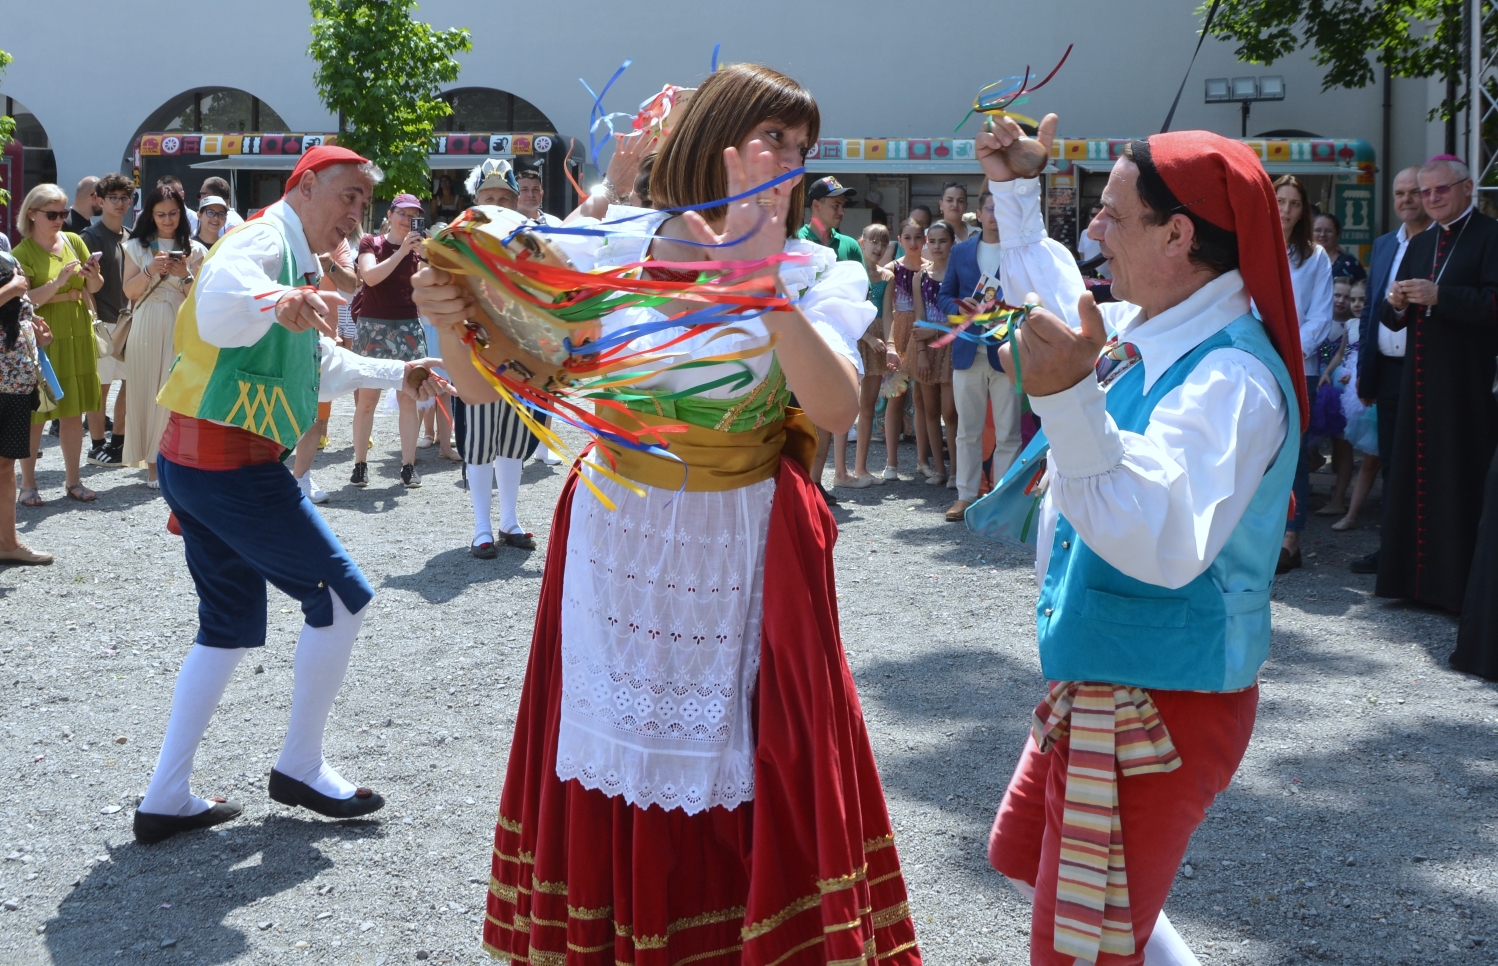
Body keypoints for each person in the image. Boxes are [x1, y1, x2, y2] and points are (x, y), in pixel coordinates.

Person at [413, 62, 920, 966]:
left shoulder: (811, 270)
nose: (789, 162)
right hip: (620, 537)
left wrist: (761, 292)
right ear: (712, 143)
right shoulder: (613, 246)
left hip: (746, 540)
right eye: (772, 140)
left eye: (801, 148)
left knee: (752, 771)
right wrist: (449, 317)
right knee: (620, 763)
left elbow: (839, 409)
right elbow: (488, 379)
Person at [979, 114, 1304, 966]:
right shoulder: (1160, 326)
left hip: (1159, 701)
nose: (1091, 228)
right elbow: (1054, 310)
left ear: (1180, 235)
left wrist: (1068, 399)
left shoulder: (1231, 376)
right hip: (1112, 679)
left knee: (1081, 946)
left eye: (1111, 215)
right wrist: (1016, 192)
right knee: (1027, 866)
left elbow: (1160, 541)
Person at [133, 145, 446, 845]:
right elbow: (218, 306)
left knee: (225, 628)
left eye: (366, 200)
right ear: (302, 187)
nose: (356, 212)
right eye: (347, 194)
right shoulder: (262, 241)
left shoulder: (295, 255)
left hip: (202, 464)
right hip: (230, 468)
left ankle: (165, 797)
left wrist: (402, 372)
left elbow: (317, 365)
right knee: (339, 599)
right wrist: (281, 300)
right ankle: (300, 767)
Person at [1375, 154, 1498, 613]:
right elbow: (1394, 316)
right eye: (1425, 192)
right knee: (1412, 477)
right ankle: (1415, 582)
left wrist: (1442, 296)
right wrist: (1398, 302)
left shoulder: (1490, 237)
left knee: (1457, 480)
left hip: (1466, 388)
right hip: (1419, 388)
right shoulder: (1423, 242)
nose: (1431, 199)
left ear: (1467, 188)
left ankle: (1456, 587)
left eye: (1440, 190)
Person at [454, 158, 540, 556]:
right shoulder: (458, 239)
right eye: (489, 196)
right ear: (476, 199)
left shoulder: (533, 238)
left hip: (523, 354)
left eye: (504, 197)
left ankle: (509, 520)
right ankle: (480, 527)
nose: (497, 203)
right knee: (480, 440)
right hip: (480, 353)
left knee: (514, 438)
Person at [1349, 167, 1432, 572]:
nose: (1406, 200)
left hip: (1428, 373)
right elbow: (1367, 314)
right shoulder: (1384, 245)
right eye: (1399, 193)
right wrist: (1366, 373)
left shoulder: (1439, 245)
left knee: (1426, 465)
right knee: (1392, 464)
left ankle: (1424, 555)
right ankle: (1392, 552)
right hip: (1389, 373)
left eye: (1413, 192)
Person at [15, 184, 104, 506]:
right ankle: (27, 483)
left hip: (77, 330)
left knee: (72, 411)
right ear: (32, 214)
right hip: (44, 336)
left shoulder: (74, 240)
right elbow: (23, 300)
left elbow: (95, 285)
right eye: (52, 214)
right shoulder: (22, 253)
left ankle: (73, 480)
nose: (59, 219)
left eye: (63, 213)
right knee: (38, 412)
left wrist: (91, 274)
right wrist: (59, 282)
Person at [940, 189, 1022, 522]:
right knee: (967, 431)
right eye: (990, 208)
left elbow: (1033, 299)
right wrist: (959, 308)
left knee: (1008, 432)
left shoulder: (1020, 253)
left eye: (1001, 209)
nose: (995, 215)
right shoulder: (960, 252)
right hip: (967, 350)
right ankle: (966, 496)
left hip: (1005, 350)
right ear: (979, 212)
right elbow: (945, 295)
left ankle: (1002, 498)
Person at [120, 185, 206, 488]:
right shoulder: (136, 246)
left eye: (172, 213)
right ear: (150, 215)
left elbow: (199, 297)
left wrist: (184, 273)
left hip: (179, 321)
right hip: (146, 320)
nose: (167, 220)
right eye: (160, 214)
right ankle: (152, 466)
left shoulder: (195, 249)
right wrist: (150, 270)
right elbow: (129, 292)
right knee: (145, 391)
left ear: (181, 213)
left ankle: (175, 461)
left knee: (174, 392)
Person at [1274, 174, 1334, 573]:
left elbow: (1320, 317)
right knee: (1259, 449)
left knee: (1294, 453)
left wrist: (1291, 351)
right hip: (1256, 360)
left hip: (1300, 365)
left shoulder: (1315, 257)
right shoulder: (1252, 244)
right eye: (1281, 201)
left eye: (1295, 203)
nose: (1287, 211)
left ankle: (1291, 538)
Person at [350, 192, 427, 489]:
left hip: (408, 326)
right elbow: (369, 277)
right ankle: (360, 464)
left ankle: (408, 466)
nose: (407, 220)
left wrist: (426, 256)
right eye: (403, 214)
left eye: (413, 215)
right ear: (391, 214)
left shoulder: (420, 249)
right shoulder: (372, 243)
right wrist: (401, 253)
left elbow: (423, 286)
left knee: (408, 399)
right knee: (367, 400)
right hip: (374, 327)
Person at [799, 175, 866, 500]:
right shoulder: (796, 241)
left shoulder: (849, 246)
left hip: (836, 343)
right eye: (834, 203)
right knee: (795, 414)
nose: (841, 209)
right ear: (815, 205)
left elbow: (861, 296)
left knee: (825, 414)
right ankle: (797, 484)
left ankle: (815, 483)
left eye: (843, 203)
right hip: (798, 342)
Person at [833, 222, 897, 488]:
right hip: (853, 337)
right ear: (862, 243)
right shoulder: (851, 274)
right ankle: (839, 471)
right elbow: (844, 313)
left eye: (883, 243)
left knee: (867, 407)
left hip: (877, 341)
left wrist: (890, 344)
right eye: (874, 241)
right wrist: (868, 338)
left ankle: (860, 469)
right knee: (844, 405)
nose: (879, 247)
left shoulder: (887, 277)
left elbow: (888, 313)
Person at [0, 249, 53, 563]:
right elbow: (14, 293)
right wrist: (12, 290)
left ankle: (8, 543)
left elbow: (22, 311)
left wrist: (37, 335)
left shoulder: (6, 255)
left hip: (17, 384)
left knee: (6, 465)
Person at [80, 173, 134, 466]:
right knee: (100, 386)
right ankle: (97, 444)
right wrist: (92, 321)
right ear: (100, 201)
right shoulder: (90, 236)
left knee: (129, 381)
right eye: (113, 197)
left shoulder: (131, 236)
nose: (120, 203)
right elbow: (83, 285)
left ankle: (119, 442)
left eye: (125, 197)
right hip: (101, 321)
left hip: (128, 320)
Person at [909, 219, 958, 488]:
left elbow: (964, 319)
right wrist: (921, 352)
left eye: (943, 241)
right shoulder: (920, 277)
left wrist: (935, 331)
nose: (937, 246)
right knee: (930, 410)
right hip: (927, 349)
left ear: (952, 243)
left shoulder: (959, 275)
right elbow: (919, 318)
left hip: (951, 347)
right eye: (933, 241)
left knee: (950, 412)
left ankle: (956, 471)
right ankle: (939, 469)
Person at [882, 218, 931, 479]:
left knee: (923, 399)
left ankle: (923, 460)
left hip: (922, 333)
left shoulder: (931, 270)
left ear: (924, 239)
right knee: (895, 398)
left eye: (918, 237)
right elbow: (885, 307)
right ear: (899, 240)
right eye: (908, 237)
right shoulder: (891, 269)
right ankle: (891, 463)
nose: (913, 242)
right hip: (899, 334)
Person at [1333, 280, 1380, 531]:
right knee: (1370, 459)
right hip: (1361, 393)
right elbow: (1344, 353)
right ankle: (1350, 513)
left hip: (1379, 391)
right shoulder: (1350, 325)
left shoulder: (1378, 324)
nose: (1357, 304)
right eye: (1355, 300)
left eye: (1363, 299)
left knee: (1378, 459)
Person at [1313, 211, 1366, 282]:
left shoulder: (1351, 264)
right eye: (1318, 230)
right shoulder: (1301, 261)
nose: (1322, 234)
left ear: (1337, 235)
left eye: (1328, 231)